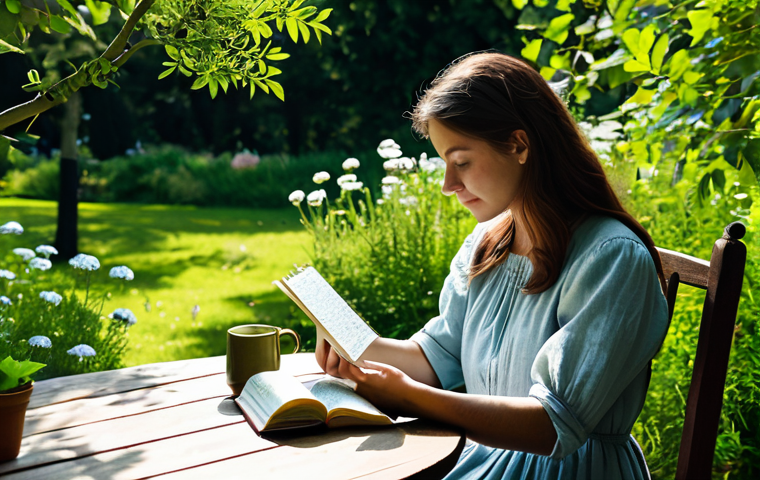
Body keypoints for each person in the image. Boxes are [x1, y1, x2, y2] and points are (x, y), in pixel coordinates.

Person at [316, 52, 669, 480]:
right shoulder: (488, 243)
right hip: (486, 459)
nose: (448, 185)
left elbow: (553, 425)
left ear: (519, 145)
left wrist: (410, 399)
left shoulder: (610, 257)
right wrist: (354, 346)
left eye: (461, 162)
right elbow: (438, 356)